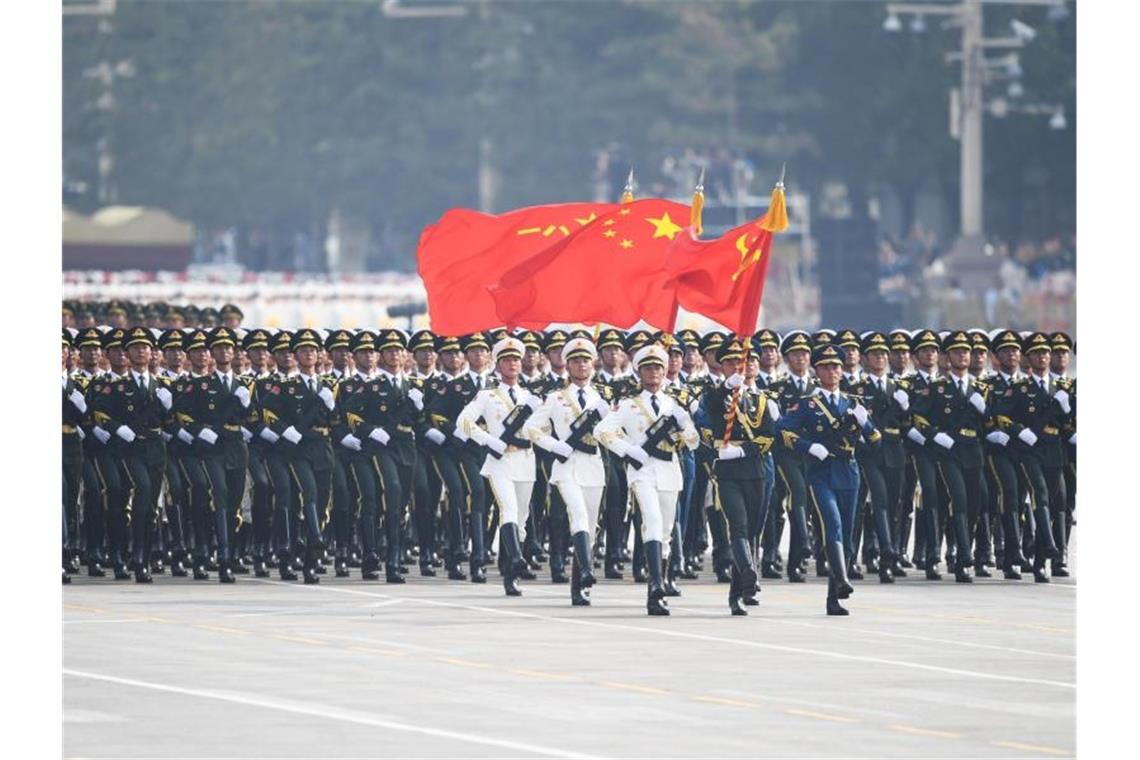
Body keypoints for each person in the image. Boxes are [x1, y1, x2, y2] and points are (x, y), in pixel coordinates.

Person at [595, 344, 699, 616]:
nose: (654, 372)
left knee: (665, 532)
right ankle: (654, 586)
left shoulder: (674, 404)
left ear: (665, 372)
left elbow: (693, 442)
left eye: (658, 368)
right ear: (639, 372)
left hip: (669, 468)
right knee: (651, 522)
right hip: (642, 471)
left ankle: (662, 586)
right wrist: (629, 450)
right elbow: (602, 431)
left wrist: (684, 425)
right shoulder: (629, 404)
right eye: (648, 368)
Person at [777, 344, 880, 615]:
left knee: (847, 533)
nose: (832, 371)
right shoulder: (807, 403)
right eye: (826, 367)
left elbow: (875, 440)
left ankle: (834, 598)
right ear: (816, 371)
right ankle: (843, 580)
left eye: (836, 366)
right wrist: (809, 447)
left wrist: (866, 422)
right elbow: (784, 433)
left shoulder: (853, 403)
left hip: (849, 470)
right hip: (821, 472)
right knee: (831, 524)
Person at [526, 337, 612, 606]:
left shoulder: (603, 397)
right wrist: (555, 445)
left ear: (592, 363)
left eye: (585, 360)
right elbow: (531, 428)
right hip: (566, 465)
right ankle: (587, 570)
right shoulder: (555, 398)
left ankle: (579, 586)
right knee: (576, 514)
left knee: (590, 525)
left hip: (594, 465)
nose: (581, 365)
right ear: (567, 365)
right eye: (575, 361)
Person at [696, 337, 778, 614]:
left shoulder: (760, 399)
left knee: (753, 529)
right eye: (730, 362)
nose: (736, 366)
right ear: (722, 366)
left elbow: (769, 436)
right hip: (727, 473)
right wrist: (724, 393)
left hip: (754, 470)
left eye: (740, 362)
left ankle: (739, 591)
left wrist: (744, 452)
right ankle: (748, 575)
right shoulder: (712, 396)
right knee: (738, 526)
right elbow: (704, 429)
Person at [456, 336, 541, 596]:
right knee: (508, 509)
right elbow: (464, 422)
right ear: (498, 364)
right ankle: (515, 561)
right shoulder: (487, 395)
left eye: (516, 359)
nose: (513, 364)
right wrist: (489, 440)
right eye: (507, 360)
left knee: (522, 521)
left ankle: (509, 568)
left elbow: (544, 429)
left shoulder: (532, 397)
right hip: (500, 462)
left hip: (526, 461)